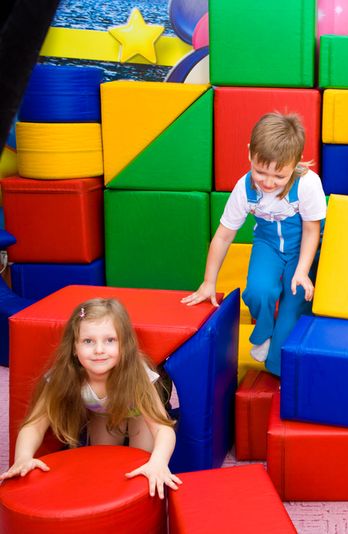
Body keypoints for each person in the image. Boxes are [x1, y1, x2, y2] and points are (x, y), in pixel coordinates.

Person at [182, 113, 326, 376]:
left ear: (294, 164)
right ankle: (262, 333)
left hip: (302, 248)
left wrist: (303, 271)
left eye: (279, 176)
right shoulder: (245, 188)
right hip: (268, 244)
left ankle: (277, 369)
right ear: (250, 153)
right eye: (260, 171)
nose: (268, 182)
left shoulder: (308, 184)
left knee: (293, 305)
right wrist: (208, 281)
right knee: (258, 291)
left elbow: (311, 231)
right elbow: (224, 235)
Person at [0, 298, 181, 499]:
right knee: (102, 461)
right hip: (102, 413)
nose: (99, 350)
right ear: (74, 348)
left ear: (125, 345)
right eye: (88, 341)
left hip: (138, 412)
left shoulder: (137, 376)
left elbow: (162, 427)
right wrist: (23, 457)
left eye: (110, 340)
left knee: (140, 462)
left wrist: (158, 462)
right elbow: (34, 424)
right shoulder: (65, 376)